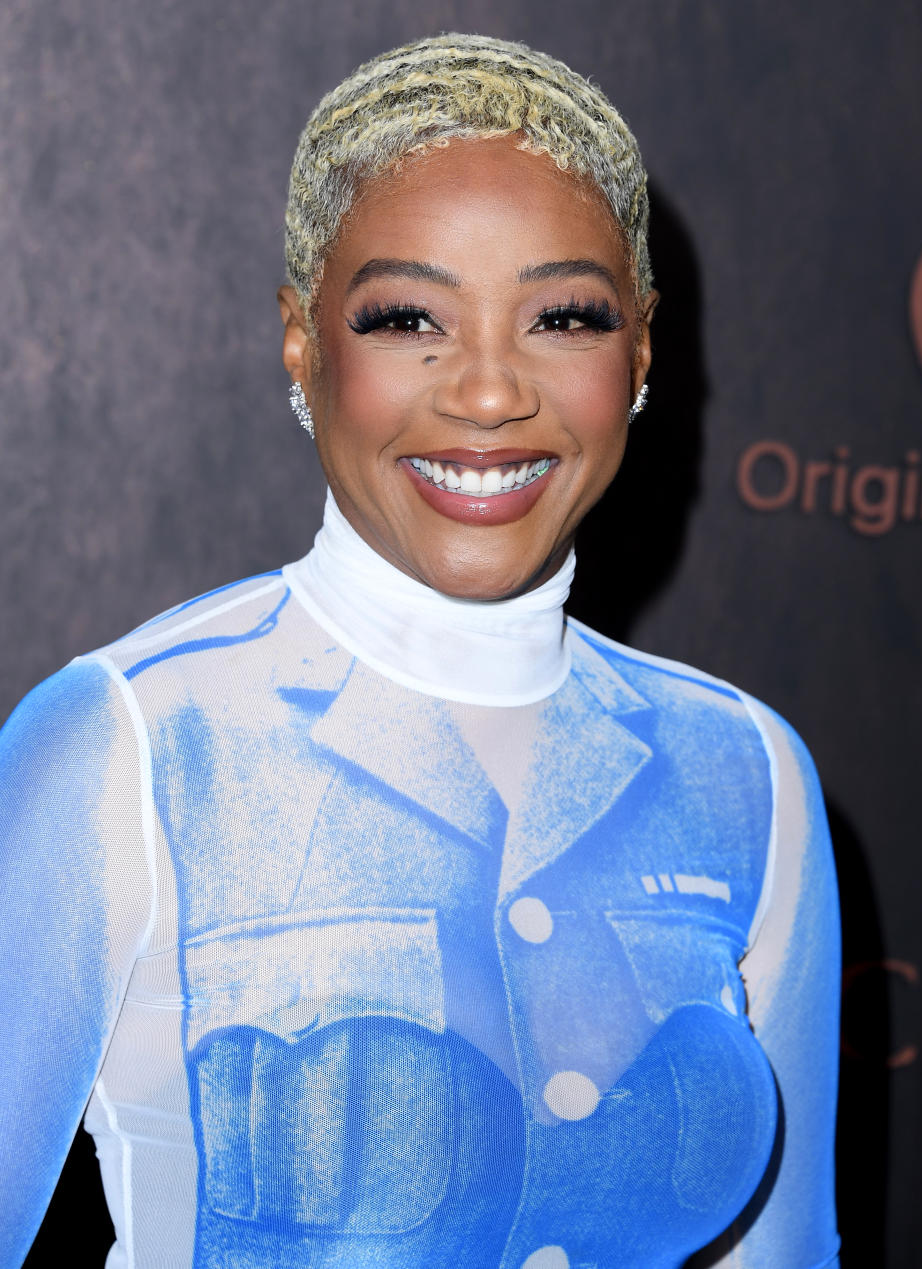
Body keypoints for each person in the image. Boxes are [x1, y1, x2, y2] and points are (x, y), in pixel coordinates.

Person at [0, 33, 840, 1269]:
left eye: (563, 316)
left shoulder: (747, 773)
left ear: (643, 353)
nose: (491, 392)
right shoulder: (126, 746)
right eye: (409, 318)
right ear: (302, 342)